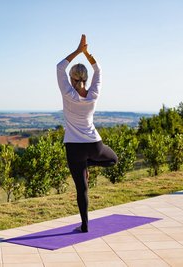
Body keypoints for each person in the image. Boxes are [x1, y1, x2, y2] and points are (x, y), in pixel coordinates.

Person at [56, 34, 118, 233]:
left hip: (73, 148)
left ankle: (84, 226)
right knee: (113, 160)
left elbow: (59, 67)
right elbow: (98, 69)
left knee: (81, 189)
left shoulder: (68, 94)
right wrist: (87, 53)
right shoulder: (93, 95)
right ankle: (89, 163)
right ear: (86, 78)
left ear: (72, 78)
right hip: (94, 145)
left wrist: (77, 51)